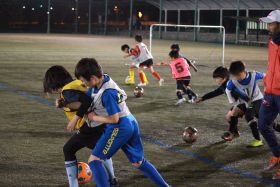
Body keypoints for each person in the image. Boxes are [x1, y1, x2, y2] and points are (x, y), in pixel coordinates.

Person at [74, 58, 170, 187]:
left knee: (94, 161)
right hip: (130, 120)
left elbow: (115, 119)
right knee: (138, 162)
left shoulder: (107, 93)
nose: (83, 83)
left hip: (119, 126)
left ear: (93, 78)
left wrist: (93, 117)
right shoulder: (104, 78)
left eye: (83, 80)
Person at [43, 65, 118, 187]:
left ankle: (74, 184)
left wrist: (75, 119)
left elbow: (85, 102)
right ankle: (112, 179)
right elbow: (81, 100)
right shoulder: (77, 83)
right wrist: (64, 103)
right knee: (98, 149)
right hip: (100, 122)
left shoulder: (67, 90)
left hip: (88, 126)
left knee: (68, 149)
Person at [258, 10, 280, 179]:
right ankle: (277, 154)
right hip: (270, 92)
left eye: (271, 23)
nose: (268, 26)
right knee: (263, 125)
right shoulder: (271, 42)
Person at [225, 61, 264, 147]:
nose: (236, 78)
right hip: (247, 102)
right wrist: (234, 103)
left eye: (238, 75)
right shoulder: (233, 82)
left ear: (243, 71)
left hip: (258, 100)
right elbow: (228, 90)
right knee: (232, 113)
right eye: (234, 76)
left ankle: (258, 140)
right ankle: (233, 133)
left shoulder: (254, 75)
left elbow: (267, 76)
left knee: (266, 123)